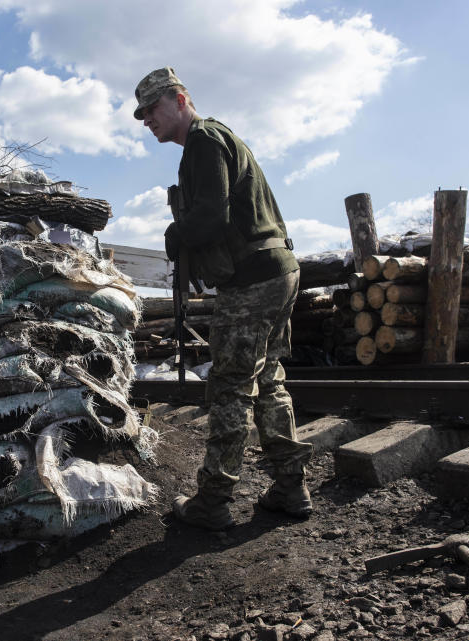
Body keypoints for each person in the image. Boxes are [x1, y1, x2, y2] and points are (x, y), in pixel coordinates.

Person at [134, 67, 314, 530]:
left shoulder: (204, 141)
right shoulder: (215, 140)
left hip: (254, 278)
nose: (147, 120)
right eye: (143, 113)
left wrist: (177, 235)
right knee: (269, 379)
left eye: (153, 109)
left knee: (230, 386)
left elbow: (211, 216)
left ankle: (213, 500)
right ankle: (290, 488)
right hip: (278, 270)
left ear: (179, 99)